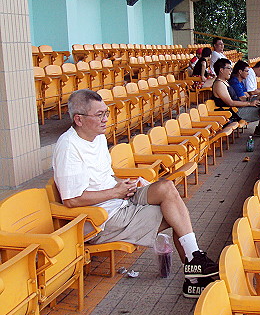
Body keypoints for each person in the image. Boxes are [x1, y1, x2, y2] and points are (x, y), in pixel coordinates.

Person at [52, 89, 218, 299]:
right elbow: (71, 199)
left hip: (119, 199)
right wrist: (115, 191)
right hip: (102, 219)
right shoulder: (68, 148)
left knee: (166, 188)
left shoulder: (98, 138)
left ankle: (194, 263)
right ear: (79, 119)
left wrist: (123, 184)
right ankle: (194, 276)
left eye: (106, 112)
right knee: (176, 216)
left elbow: (104, 176)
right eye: (99, 115)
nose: (106, 119)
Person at [212, 58, 260, 146]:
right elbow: (230, 103)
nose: (231, 71)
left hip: (238, 108)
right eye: (229, 68)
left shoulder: (225, 82)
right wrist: (250, 103)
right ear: (221, 70)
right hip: (234, 113)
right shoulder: (219, 84)